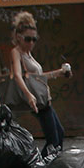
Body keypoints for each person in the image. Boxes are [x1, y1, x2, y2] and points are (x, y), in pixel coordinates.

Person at [10, 11, 72, 150]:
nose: (31, 43)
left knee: (59, 134)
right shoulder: (16, 52)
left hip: (44, 101)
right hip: (37, 102)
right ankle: (43, 166)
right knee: (53, 140)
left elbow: (38, 77)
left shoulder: (28, 54)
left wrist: (59, 73)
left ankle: (50, 163)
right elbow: (17, 75)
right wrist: (28, 95)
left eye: (34, 39)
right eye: (28, 39)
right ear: (19, 37)